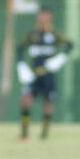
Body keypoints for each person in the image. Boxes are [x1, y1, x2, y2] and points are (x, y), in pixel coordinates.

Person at [15, 9, 72, 141]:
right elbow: (20, 48)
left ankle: (44, 134)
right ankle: (24, 133)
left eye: (46, 16)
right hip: (34, 75)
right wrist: (22, 66)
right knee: (26, 100)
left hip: (48, 75)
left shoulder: (54, 34)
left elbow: (70, 45)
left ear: (50, 17)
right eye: (41, 16)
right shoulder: (32, 34)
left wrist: (60, 59)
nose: (43, 18)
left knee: (48, 103)